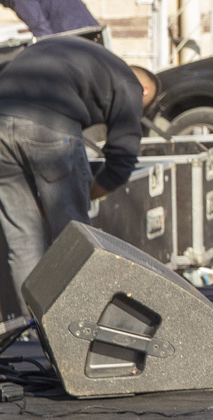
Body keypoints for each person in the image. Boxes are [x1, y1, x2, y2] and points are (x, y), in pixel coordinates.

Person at [0, 36, 155, 313]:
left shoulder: (84, 58)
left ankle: (33, 327)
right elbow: (122, 158)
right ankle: (77, 320)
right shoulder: (129, 83)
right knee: (73, 238)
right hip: (50, 122)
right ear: (144, 91)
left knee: (22, 240)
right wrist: (87, 193)